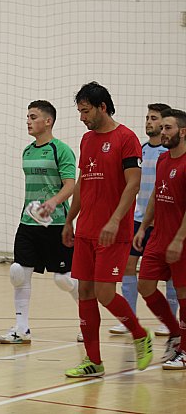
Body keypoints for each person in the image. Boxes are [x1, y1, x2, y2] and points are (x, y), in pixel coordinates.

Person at [62, 82, 153, 378]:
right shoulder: (87, 140)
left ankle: (140, 335)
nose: (82, 118)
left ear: (102, 107)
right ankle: (93, 361)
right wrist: (69, 219)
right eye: (79, 111)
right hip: (86, 229)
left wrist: (114, 220)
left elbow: (134, 184)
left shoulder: (126, 138)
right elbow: (83, 183)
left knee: (104, 292)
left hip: (113, 231)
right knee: (85, 291)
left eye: (85, 111)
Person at [0, 100, 82, 345]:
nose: (28, 121)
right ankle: (21, 329)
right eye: (27, 117)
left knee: (64, 279)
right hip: (28, 223)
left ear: (48, 121)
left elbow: (70, 185)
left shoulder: (61, 150)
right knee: (19, 273)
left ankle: (87, 322)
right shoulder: (27, 151)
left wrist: (54, 202)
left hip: (56, 225)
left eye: (33, 117)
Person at [110, 103, 179, 335]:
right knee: (129, 266)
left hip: (164, 222)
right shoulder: (141, 150)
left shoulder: (170, 153)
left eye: (155, 118)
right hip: (139, 219)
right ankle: (129, 317)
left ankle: (170, 319)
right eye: (147, 118)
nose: (149, 122)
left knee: (170, 272)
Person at [135, 108, 186, 370]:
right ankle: (175, 332)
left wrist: (179, 239)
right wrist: (143, 227)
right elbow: (156, 194)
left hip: (181, 239)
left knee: (182, 292)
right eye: (162, 127)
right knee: (145, 285)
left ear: (183, 132)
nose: (163, 132)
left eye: (168, 128)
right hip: (158, 236)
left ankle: (185, 350)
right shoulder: (164, 160)